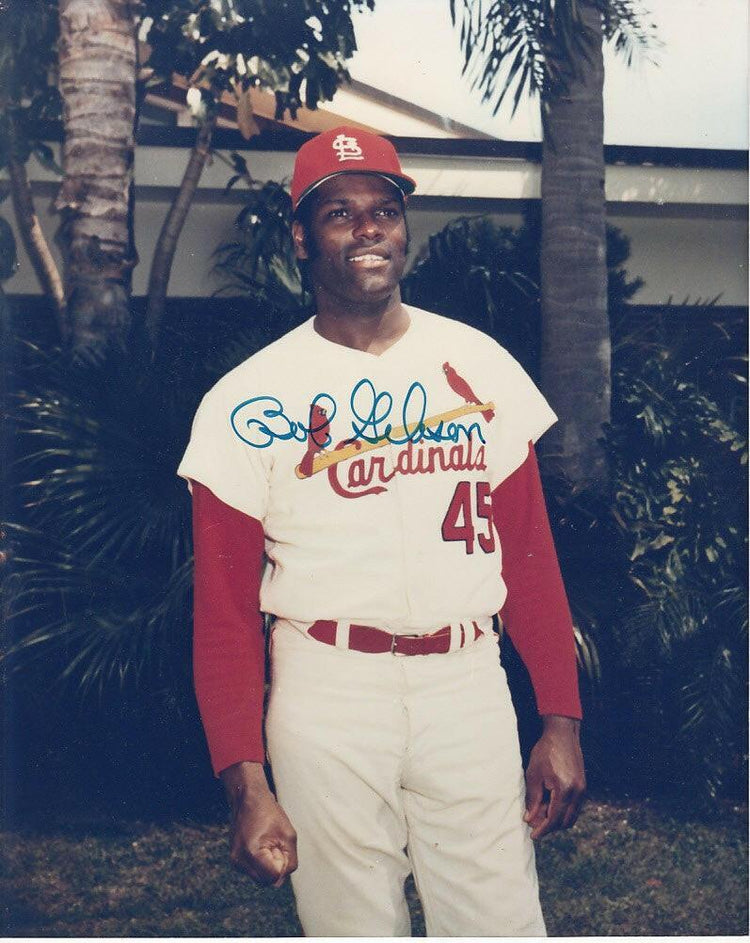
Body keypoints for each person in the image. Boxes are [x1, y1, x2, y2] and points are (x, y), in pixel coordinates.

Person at [178, 126, 586, 936]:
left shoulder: (479, 364)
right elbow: (223, 616)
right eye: (339, 213)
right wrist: (245, 782)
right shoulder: (246, 400)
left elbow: (532, 563)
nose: (368, 229)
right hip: (327, 690)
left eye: (384, 211)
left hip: (466, 682)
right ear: (301, 237)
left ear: (404, 227)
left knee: (502, 921)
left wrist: (559, 720)